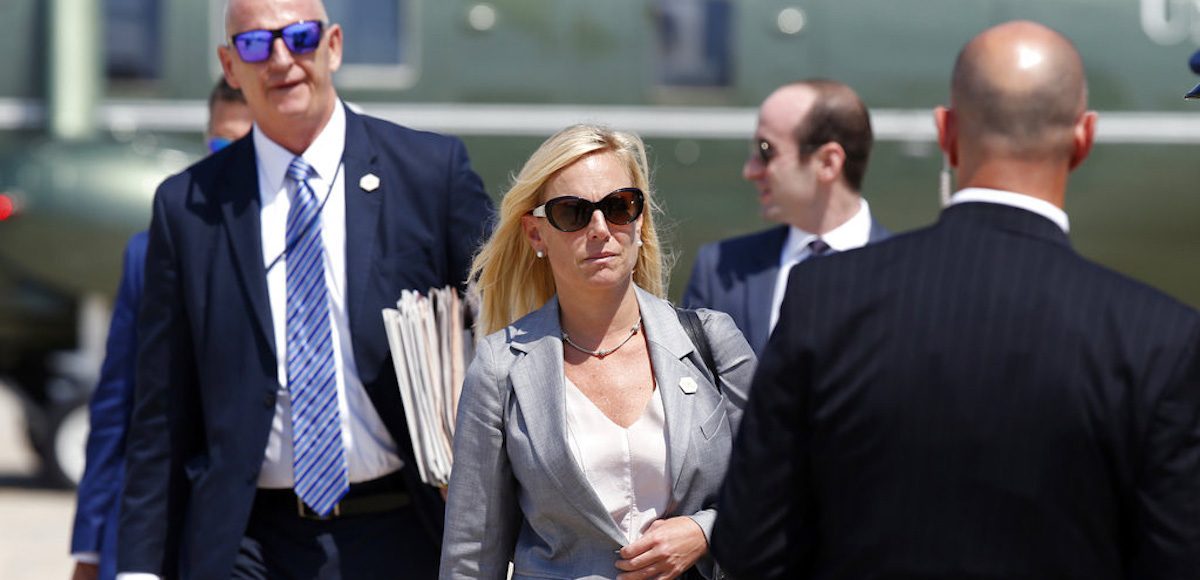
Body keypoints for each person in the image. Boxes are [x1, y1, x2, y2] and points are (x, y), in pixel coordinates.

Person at [712, 20, 1200, 578]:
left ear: (947, 133)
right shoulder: (1160, 340)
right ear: (1083, 140)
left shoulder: (824, 299)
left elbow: (749, 542)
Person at [117, 0, 494, 577]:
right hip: (247, 539)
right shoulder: (189, 206)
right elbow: (160, 407)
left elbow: (508, 331)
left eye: (299, 37)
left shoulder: (428, 173)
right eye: (254, 45)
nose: (280, 59)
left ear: (333, 46)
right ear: (229, 66)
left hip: (402, 528)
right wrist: (140, 567)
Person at [440, 124, 756, 579]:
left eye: (619, 207)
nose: (600, 229)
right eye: (572, 213)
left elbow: (778, 483)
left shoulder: (711, 341)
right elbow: (472, 555)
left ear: (640, 220)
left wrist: (706, 531)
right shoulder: (501, 368)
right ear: (535, 235)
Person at [68, 78, 252, 580]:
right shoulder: (149, 252)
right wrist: (89, 545)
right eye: (220, 145)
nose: (231, 163)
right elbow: (116, 409)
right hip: (158, 528)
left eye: (248, 147)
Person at [682, 79, 889, 355]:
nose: (750, 171)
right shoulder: (719, 270)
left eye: (766, 151)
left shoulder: (912, 276)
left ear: (827, 162)